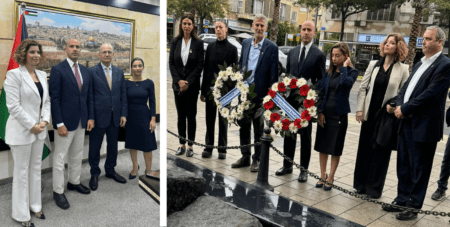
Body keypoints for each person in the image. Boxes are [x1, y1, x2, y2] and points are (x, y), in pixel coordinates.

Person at [382, 26, 450, 221]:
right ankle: (402, 199)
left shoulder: (445, 65)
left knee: (419, 168)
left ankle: (413, 205)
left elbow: (430, 95)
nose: (423, 41)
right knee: (404, 164)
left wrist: (406, 108)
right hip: (407, 122)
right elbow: (407, 88)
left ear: (440, 43)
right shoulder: (421, 63)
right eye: (423, 38)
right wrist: (398, 104)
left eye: (428, 39)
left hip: (424, 126)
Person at [353, 34, 409, 198]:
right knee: (364, 149)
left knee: (380, 152)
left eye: (392, 43)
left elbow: (403, 93)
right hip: (369, 115)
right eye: (386, 42)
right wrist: (359, 110)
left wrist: (394, 106)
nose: (387, 45)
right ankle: (360, 185)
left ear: (398, 47)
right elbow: (363, 88)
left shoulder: (403, 69)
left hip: (386, 118)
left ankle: (374, 189)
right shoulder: (373, 65)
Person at [4, 39, 51, 227]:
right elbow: (13, 107)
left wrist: (45, 121)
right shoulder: (13, 75)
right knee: (21, 173)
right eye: (32, 52)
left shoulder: (41, 74)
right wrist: (32, 125)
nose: (36, 55)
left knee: (35, 170)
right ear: (23, 54)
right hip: (21, 131)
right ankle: (21, 215)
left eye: (38, 52)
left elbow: (46, 102)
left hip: (40, 130)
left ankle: (35, 205)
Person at [275, 21, 326, 183]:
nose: (305, 32)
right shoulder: (292, 52)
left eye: (309, 30)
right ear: (300, 32)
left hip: (306, 104)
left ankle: (303, 170)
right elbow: (289, 74)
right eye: (303, 29)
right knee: (289, 133)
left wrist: (311, 95)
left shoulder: (319, 55)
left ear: (314, 33)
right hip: (290, 102)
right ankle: (287, 165)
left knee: (305, 137)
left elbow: (321, 80)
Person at [49, 39, 94, 210]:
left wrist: (90, 117)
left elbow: (88, 96)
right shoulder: (57, 70)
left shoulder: (85, 71)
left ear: (80, 50)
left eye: (77, 47)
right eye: (72, 47)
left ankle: (74, 182)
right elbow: (55, 99)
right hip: (64, 123)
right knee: (60, 157)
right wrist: (58, 123)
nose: (75, 49)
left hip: (82, 120)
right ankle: (58, 191)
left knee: (77, 154)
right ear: (65, 49)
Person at [231, 14, 278, 172]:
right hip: (244, 94)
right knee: (243, 126)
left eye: (262, 26)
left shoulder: (271, 48)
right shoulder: (245, 43)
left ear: (266, 28)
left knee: (258, 130)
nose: (259, 28)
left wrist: (270, 98)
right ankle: (245, 155)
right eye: (256, 25)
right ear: (252, 26)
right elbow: (240, 64)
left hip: (260, 95)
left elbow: (273, 75)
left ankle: (256, 159)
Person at [314, 42, 358, 190]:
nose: (334, 58)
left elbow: (346, 84)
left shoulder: (352, 72)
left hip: (339, 117)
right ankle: (322, 175)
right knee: (323, 147)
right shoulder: (328, 73)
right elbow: (320, 92)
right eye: (332, 55)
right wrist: (319, 111)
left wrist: (345, 67)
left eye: (337, 55)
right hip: (325, 115)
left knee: (335, 148)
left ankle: (331, 177)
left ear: (346, 56)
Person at [88, 43, 128, 190]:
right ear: (99, 54)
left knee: (113, 146)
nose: (106, 54)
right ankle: (94, 174)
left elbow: (123, 94)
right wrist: (90, 117)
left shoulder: (119, 72)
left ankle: (110, 170)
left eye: (109, 52)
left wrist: (123, 113)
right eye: (104, 52)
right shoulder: (91, 72)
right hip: (97, 118)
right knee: (94, 147)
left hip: (115, 117)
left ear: (113, 55)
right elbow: (90, 97)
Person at [200, 20, 238, 159]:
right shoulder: (210, 47)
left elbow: (235, 73)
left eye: (220, 27)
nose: (218, 30)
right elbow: (206, 69)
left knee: (223, 121)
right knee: (209, 119)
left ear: (226, 29)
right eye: (216, 28)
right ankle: (208, 147)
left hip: (225, 92)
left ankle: (222, 148)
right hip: (211, 90)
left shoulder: (233, 49)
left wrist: (231, 92)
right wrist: (203, 91)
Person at [169, 13, 204, 157]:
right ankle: (181, 144)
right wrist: (179, 81)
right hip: (178, 86)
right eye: (184, 23)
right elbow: (171, 63)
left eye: (189, 23)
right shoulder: (175, 41)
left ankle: (190, 146)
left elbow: (200, 64)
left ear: (193, 26)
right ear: (181, 25)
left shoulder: (198, 43)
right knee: (180, 116)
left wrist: (188, 82)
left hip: (192, 87)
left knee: (191, 116)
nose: (187, 26)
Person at [126, 57, 158, 179]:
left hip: (144, 115)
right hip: (131, 116)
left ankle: (148, 169)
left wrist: (153, 119)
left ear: (143, 67)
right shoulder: (126, 83)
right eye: (135, 66)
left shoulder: (149, 83)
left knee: (147, 144)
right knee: (132, 143)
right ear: (131, 68)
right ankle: (135, 167)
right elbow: (124, 101)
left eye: (140, 66)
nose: (137, 68)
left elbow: (153, 102)